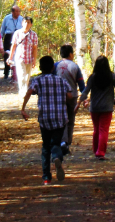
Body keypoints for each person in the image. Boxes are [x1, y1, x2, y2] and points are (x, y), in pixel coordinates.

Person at [21, 55, 75, 185]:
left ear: (40, 68)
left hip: (45, 118)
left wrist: (23, 108)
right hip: (60, 117)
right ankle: (56, 157)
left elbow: (29, 92)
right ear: (52, 68)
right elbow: (70, 95)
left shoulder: (37, 80)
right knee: (56, 143)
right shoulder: (61, 80)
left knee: (46, 146)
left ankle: (46, 177)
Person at [79, 55, 115, 160]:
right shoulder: (112, 77)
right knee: (103, 130)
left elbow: (85, 91)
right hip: (107, 107)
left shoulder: (93, 77)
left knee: (96, 129)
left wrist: (81, 101)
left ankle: (96, 150)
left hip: (95, 108)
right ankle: (100, 152)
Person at [55, 45, 85, 154]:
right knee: (70, 119)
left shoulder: (56, 66)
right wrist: (84, 98)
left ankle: (62, 142)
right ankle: (67, 142)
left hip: (58, 96)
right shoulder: (75, 67)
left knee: (61, 120)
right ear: (71, 54)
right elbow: (81, 84)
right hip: (72, 96)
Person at [8, 16, 38, 99]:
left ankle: (24, 91)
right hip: (20, 58)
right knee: (21, 76)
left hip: (29, 59)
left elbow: (35, 48)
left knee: (27, 77)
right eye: (25, 22)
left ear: (31, 24)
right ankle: (23, 93)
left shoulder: (34, 35)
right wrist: (10, 57)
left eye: (28, 22)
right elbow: (13, 45)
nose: (26, 24)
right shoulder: (17, 33)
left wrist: (34, 60)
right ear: (22, 23)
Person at [0, 5, 22, 81]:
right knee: (7, 54)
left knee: (18, 54)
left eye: (19, 11)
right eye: (16, 11)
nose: (18, 13)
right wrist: (0, 40)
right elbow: (2, 30)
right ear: (12, 12)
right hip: (9, 37)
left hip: (18, 37)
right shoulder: (7, 18)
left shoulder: (21, 19)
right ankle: (6, 72)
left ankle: (15, 73)